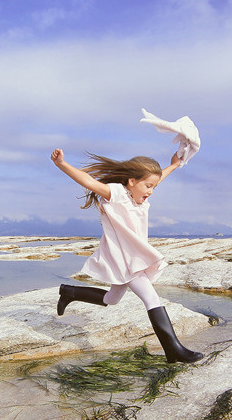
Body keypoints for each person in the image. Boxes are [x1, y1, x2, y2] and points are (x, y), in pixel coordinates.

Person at [50, 147, 204, 363]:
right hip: (125, 258)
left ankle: (70, 292)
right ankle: (173, 350)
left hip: (132, 258)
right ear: (131, 181)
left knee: (111, 299)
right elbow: (89, 182)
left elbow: (156, 179)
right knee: (151, 298)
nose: (151, 190)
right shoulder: (117, 194)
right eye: (148, 186)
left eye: (153, 186)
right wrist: (62, 165)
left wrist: (174, 165)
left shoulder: (138, 194)